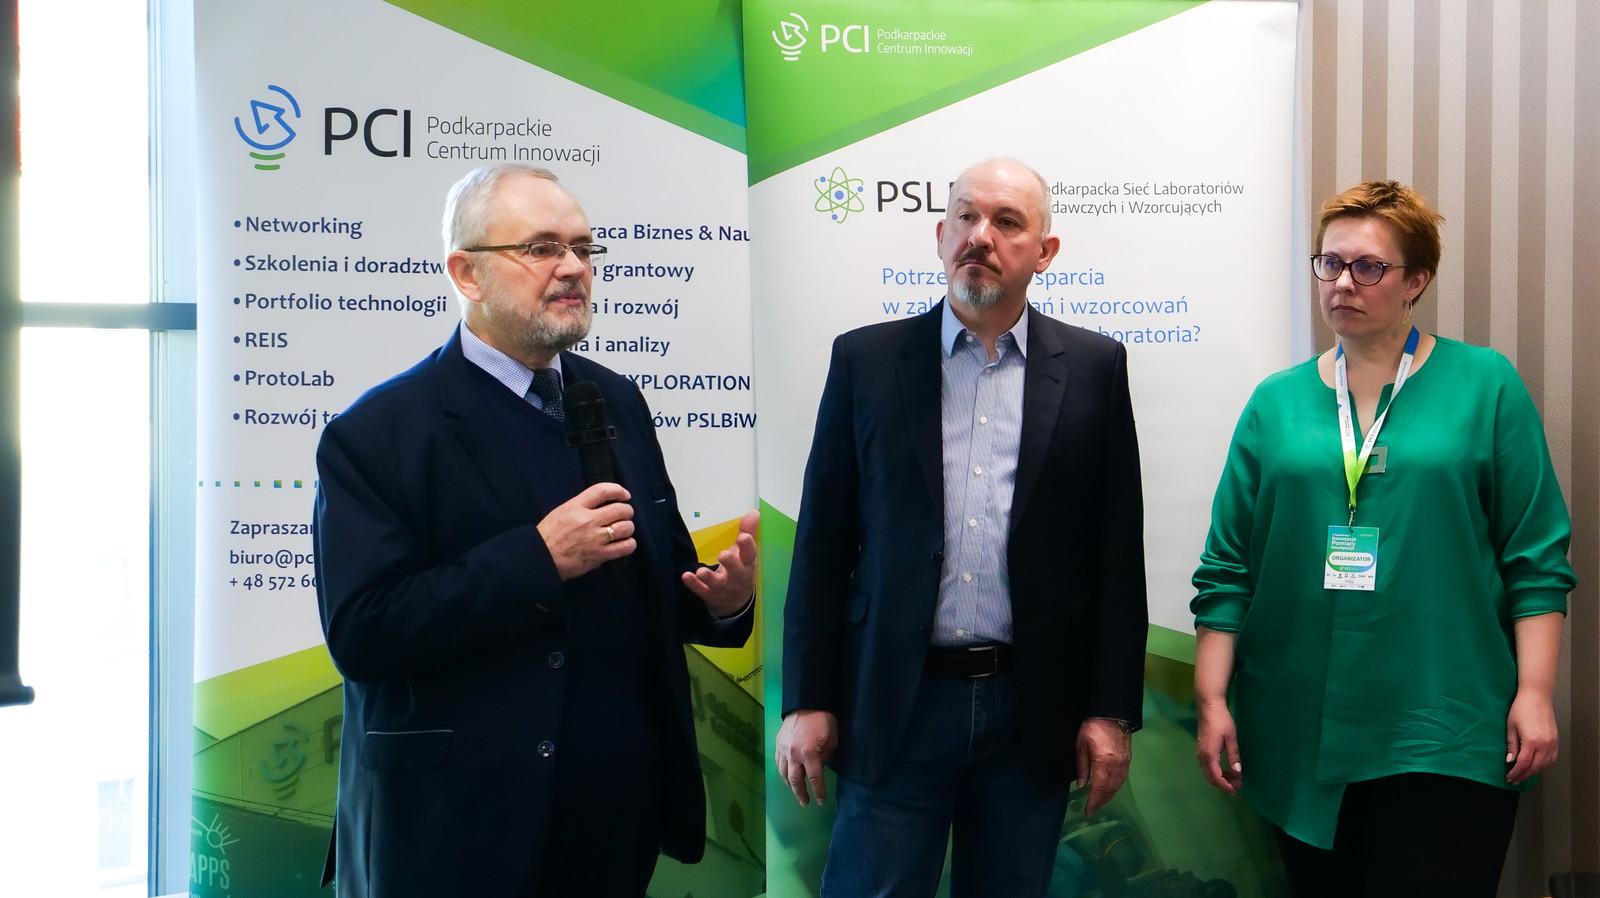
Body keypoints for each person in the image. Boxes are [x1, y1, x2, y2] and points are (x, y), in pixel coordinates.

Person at [313, 162, 758, 898]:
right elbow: (364, 633)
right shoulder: (379, 433)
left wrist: (720, 602)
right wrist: (538, 559)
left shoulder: (614, 399)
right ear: (468, 273)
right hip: (457, 833)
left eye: (583, 248)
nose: (573, 267)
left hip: (613, 821)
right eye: (542, 248)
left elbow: (650, 581)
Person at [1191, 180, 1576, 897]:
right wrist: (1212, 698)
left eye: (1368, 266)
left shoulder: (1485, 384)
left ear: (1416, 280)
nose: (1343, 282)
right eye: (1331, 263)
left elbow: (1536, 559)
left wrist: (1535, 691)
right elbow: (1228, 567)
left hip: (1445, 720)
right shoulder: (1276, 402)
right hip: (1298, 722)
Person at [775, 157, 1148, 896]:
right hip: (895, 702)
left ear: (1045, 252)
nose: (981, 235)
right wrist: (807, 698)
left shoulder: (1094, 367)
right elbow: (822, 542)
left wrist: (1110, 710)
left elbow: (1115, 555)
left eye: (1007, 222)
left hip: (1031, 707)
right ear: (941, 234)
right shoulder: (866, 360)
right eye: (966, 217)